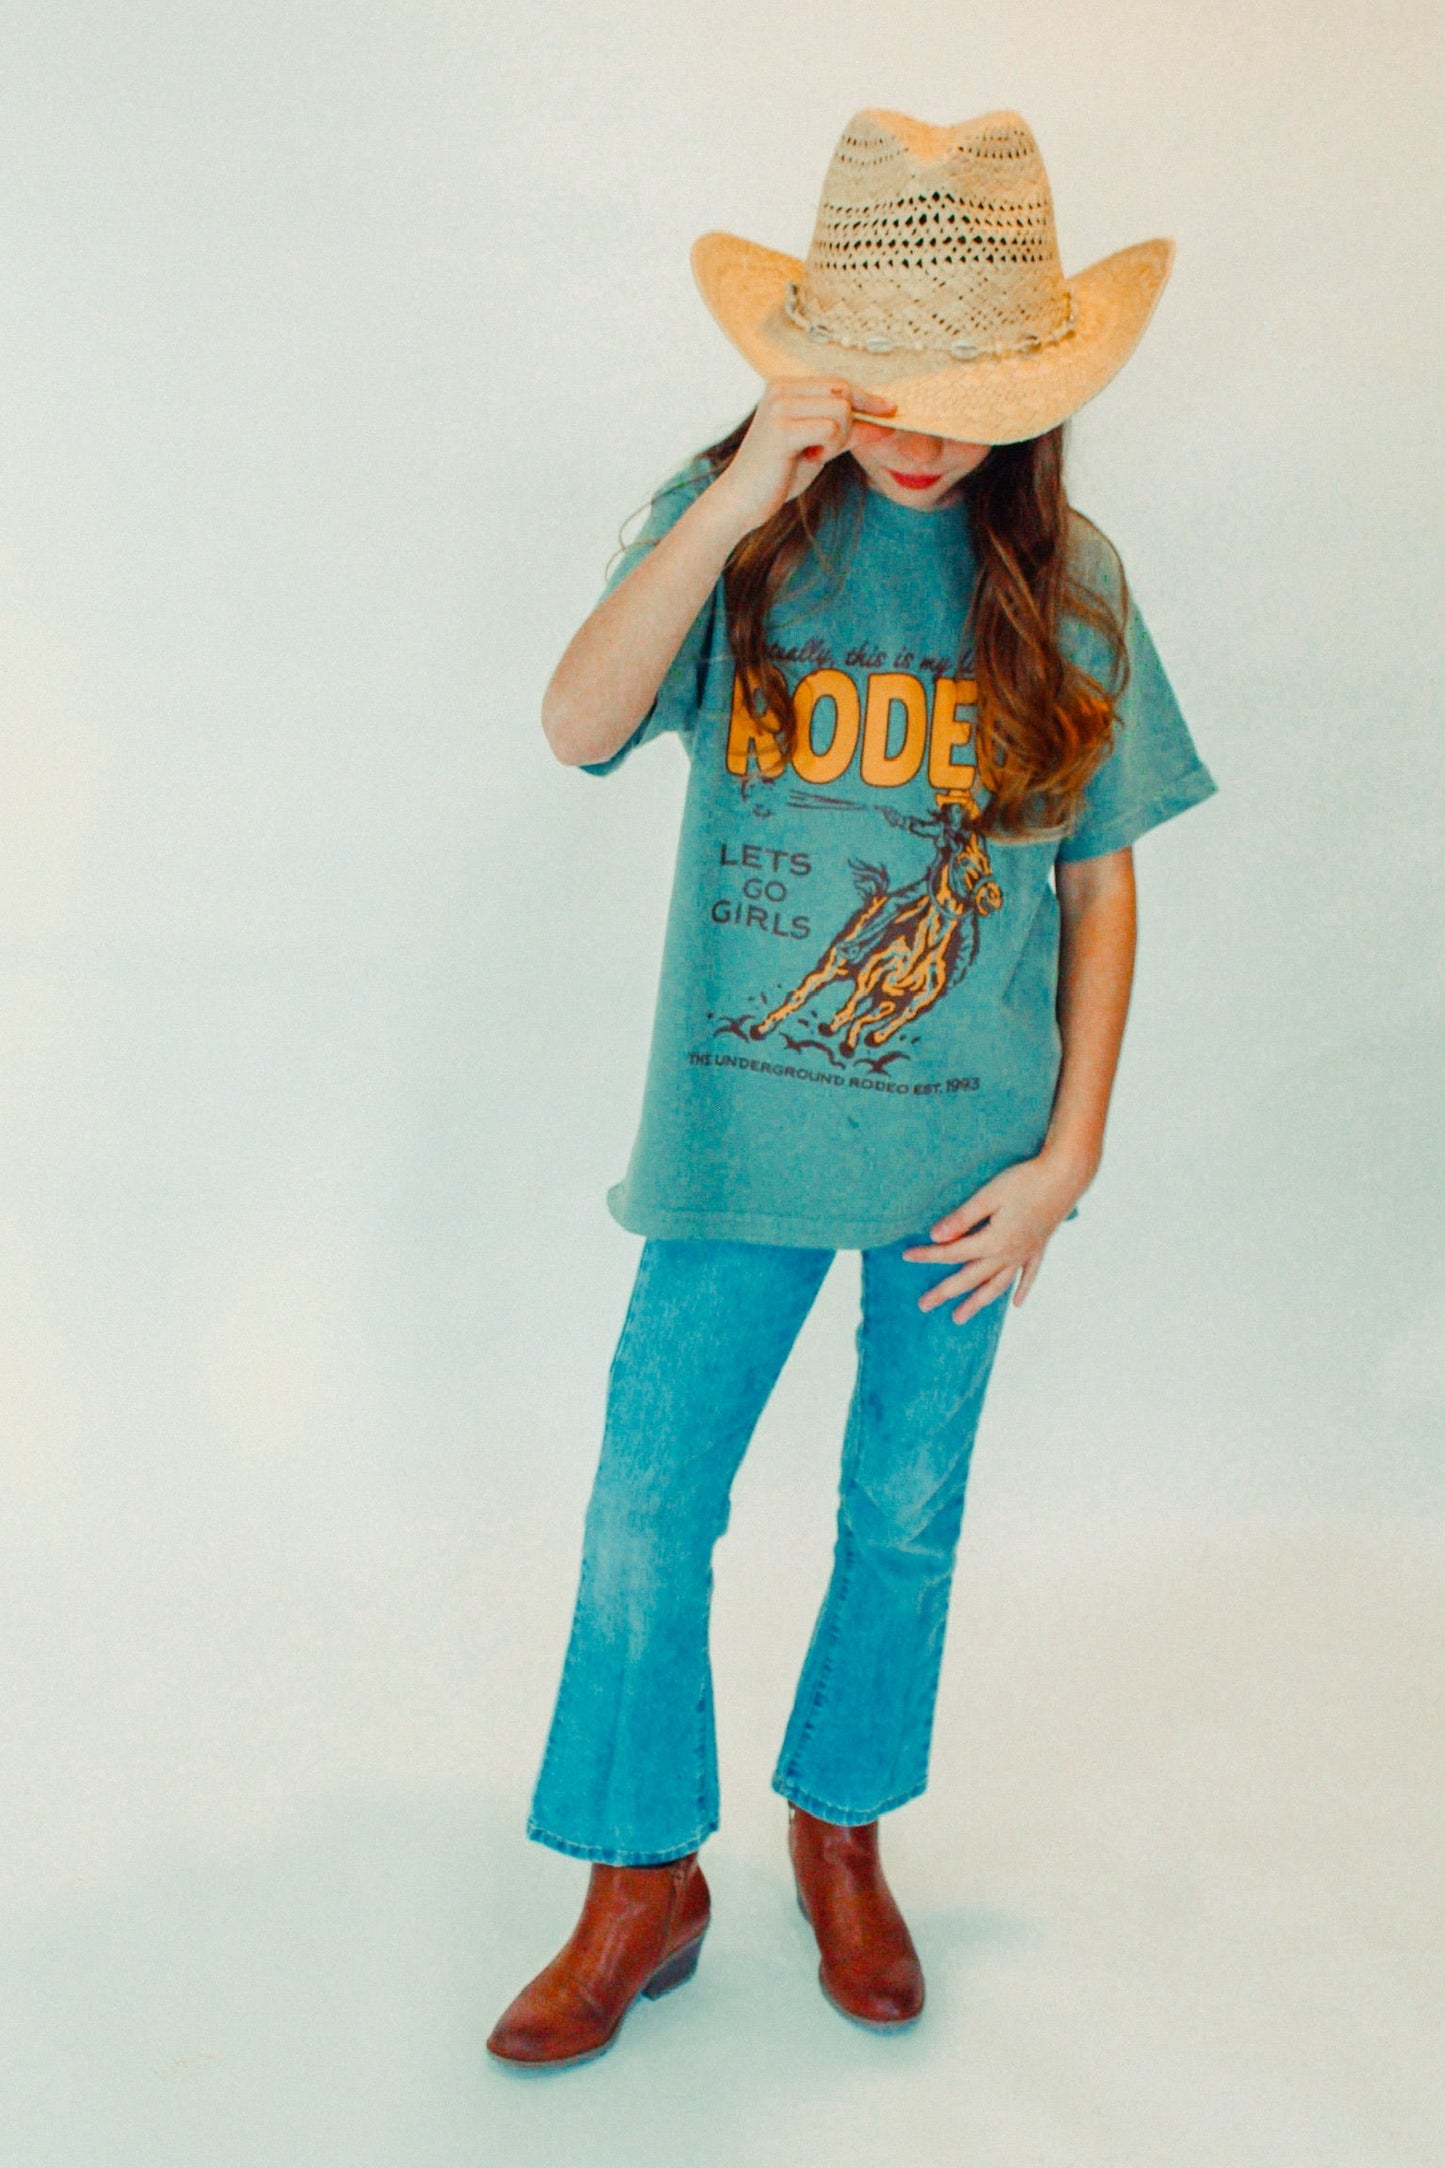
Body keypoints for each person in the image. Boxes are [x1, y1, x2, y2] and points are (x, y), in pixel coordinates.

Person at [487, 106, 1217, 2071]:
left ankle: (842, 1831)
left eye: (974, 399)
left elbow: (1100, 882)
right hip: (733, 1142)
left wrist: (1068, 1158)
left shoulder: (1068, 581)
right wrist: (739, 485)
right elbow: (573, 721)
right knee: (649, 1509)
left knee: (901, 1513)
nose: (926, 436)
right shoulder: (741, 532)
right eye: (889, 386)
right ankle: (639, 1875)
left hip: (966, 1171)